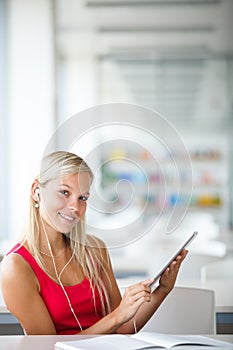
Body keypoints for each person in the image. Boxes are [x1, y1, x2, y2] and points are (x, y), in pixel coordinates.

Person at [1, 151, 187, 335]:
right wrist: (117, 316)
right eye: (64, 192)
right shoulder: (16, 267)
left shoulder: (94, 250)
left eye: (83, 198)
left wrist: (163, 289)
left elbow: (123, 328)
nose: (75, 207)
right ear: (36, 192)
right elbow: (47, 347)